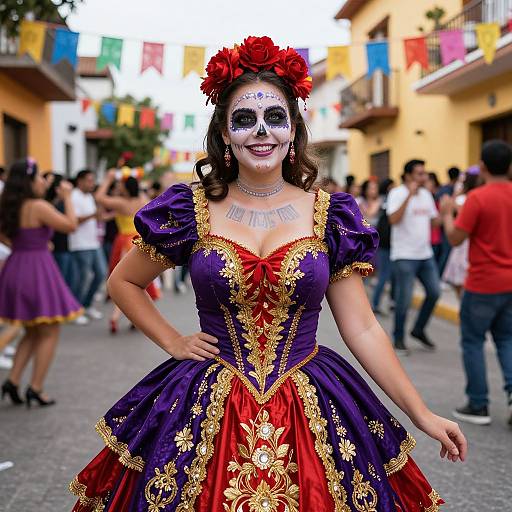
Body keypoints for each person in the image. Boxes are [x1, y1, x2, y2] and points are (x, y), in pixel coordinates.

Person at [69, 37, 465, 511]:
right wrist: (173, 342)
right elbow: (123, 281)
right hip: (207, 398)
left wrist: (420, 413)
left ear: (294, 130)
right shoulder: (189, 209)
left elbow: (362, 326)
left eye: (275, 117)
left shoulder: (329, 214)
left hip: (308, 397)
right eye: (244, 119)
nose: (261, 131)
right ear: (225, 135)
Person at [440, 140, 512, 426]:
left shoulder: (478, 198)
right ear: (509, 167)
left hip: (482, 282)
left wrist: (447, 215)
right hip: (510, 283)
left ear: (482, 167)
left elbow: (456, 238)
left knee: (472, 341)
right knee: (507, 340)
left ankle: (478, 403)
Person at [0, 159, 81, 407]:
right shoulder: (37, 206)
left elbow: (5, 235)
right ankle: (36, 387)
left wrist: (28, 245)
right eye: (38, 178)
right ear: (28, 181)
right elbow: (70, 225)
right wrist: (67, 196)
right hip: (36, 270)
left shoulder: (8, 206)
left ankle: (12, 381)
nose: (42, 182)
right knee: (50, 330)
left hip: (16, 266)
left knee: (32, 330)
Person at [95, 170, 160, 333]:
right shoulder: (143, 199)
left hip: (124, 242)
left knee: (123, 281)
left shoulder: (120, 203)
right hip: (139, 241)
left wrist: (108, 179)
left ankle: (116, 317)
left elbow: (99, 197)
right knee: (138, 282)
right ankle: (133, 319)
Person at [387, 160, 441, 354]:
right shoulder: (397, 193)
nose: (423, 177)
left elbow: (435, 223)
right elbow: (393, 220)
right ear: (409, 175)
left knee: (434, 292)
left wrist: (446, 206)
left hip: (425, 254)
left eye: (424, 173)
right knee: (404, 299)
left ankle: (418, 329)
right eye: (419, 173)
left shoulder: (426, 195)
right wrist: (409, 195)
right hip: (404, 255)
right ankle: (398, 338)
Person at [69, 170, 107, 325]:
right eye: (89, 181)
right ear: (80, 181)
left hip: (93, 242)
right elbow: (74, 220)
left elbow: (96, 216)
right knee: (82, 279)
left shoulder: (89, 196)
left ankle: (86, 305)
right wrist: (93, 214)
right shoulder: (73, 196)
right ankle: (76, 310)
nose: (92, 184)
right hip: (80, 244)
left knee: (100, 274)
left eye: (93, 180)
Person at [441, 167, 482, 298]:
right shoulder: (476, 197)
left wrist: (447, 212)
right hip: (474, 245)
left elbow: (454, 231)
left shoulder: (463, 199)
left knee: (461, 283)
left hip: (464, 245)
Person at [46, 174, 74, 288]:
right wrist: (67, 198)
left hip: (63, 247)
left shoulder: (59, 203)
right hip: (57, 248)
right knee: (59, 284)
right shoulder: (49, 205)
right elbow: (72, 225)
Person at [372, 177, 395, 314]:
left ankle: (391, 302)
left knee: (391, 276)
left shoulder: (386, 200)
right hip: (386, 243)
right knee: (384, 276)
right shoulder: (385, 201)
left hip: (390, 243)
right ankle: (375, 303)